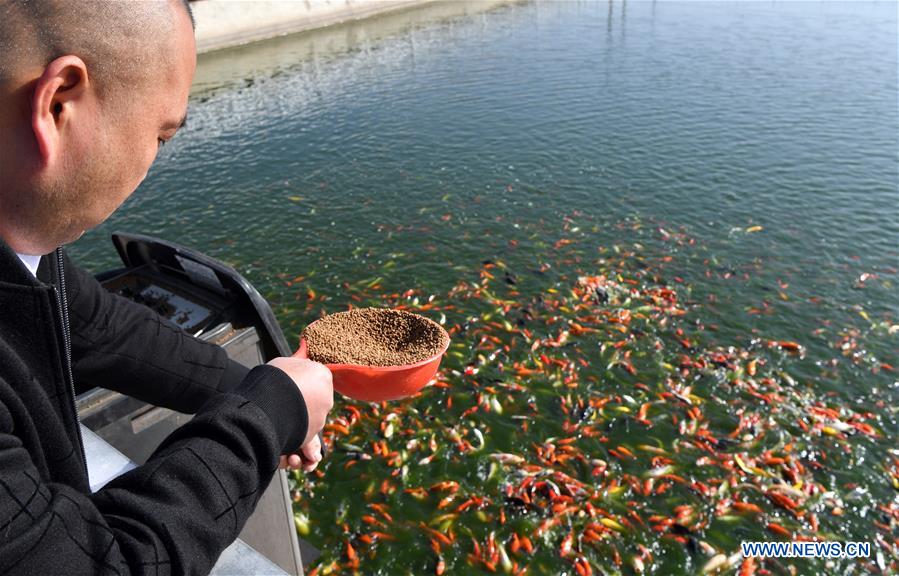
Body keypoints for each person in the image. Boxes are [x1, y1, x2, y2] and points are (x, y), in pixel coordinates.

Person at [0, 0, 335, 573]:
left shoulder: (26, 254)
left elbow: (101, 329)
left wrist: (262, 391)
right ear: (60, 104)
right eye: (160, 136)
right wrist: (263, 418)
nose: (153, 162)